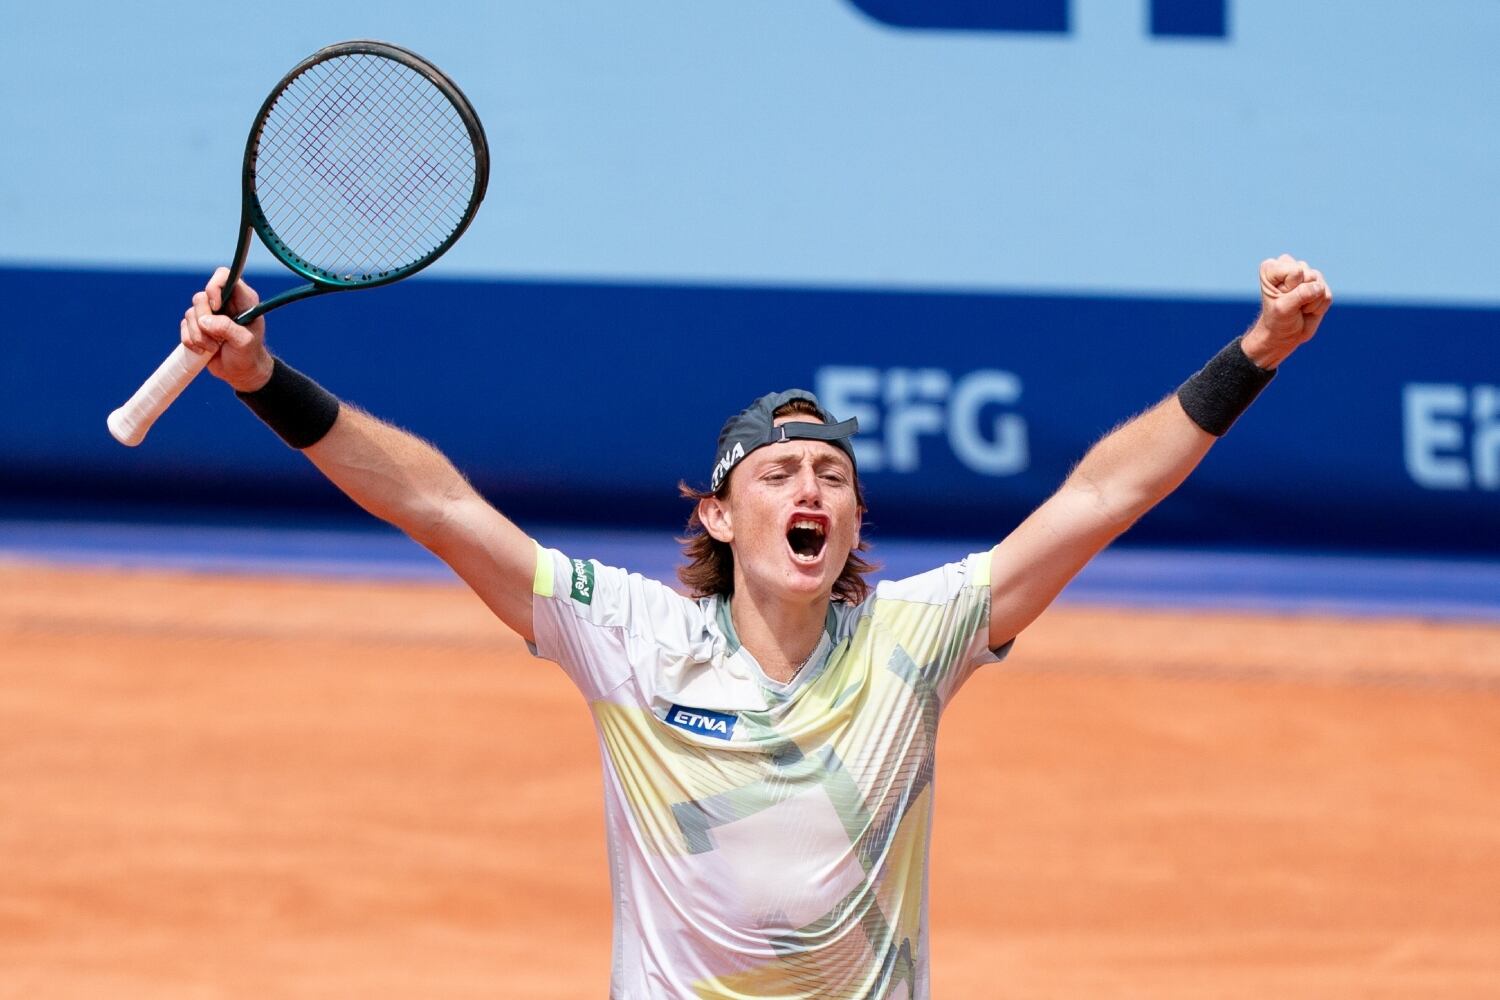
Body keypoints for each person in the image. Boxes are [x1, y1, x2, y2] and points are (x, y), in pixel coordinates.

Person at [181, 254, 1332, 999]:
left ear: (854, 515)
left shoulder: (914, 638)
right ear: (722, 516)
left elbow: (1101, 497)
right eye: (780, 472)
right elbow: (433, 502)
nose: (812, 489)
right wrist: (264, 379)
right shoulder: (629, 635)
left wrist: (1256, 355)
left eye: (832, 472)